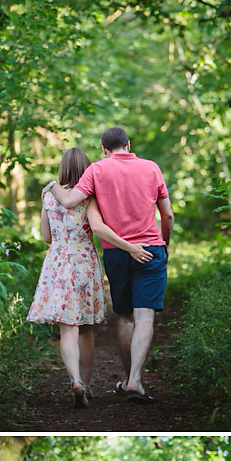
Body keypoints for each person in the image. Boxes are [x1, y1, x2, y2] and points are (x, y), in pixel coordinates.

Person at [45, 127, 174, 404]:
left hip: (116, 252)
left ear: (103, 149)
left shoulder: (97, 171)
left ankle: (127, 378)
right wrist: (165, 242)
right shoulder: (152, 168)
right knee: (145, 317)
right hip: (151, 249)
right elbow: (168, 214)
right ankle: (135, 381)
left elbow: (68, 202)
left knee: (125, 316)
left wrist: (52, 186)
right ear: (128, 144)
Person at [28, 147, 154, 408]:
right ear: (86, 169)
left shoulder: (48, 196)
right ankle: (85, 383)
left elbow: (46, 237)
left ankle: (74, 380)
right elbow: (99, 229)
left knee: (67, 328)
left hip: (58, 262)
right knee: (85, 328)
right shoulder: (90, 197)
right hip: (84, 261)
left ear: (62, 168)